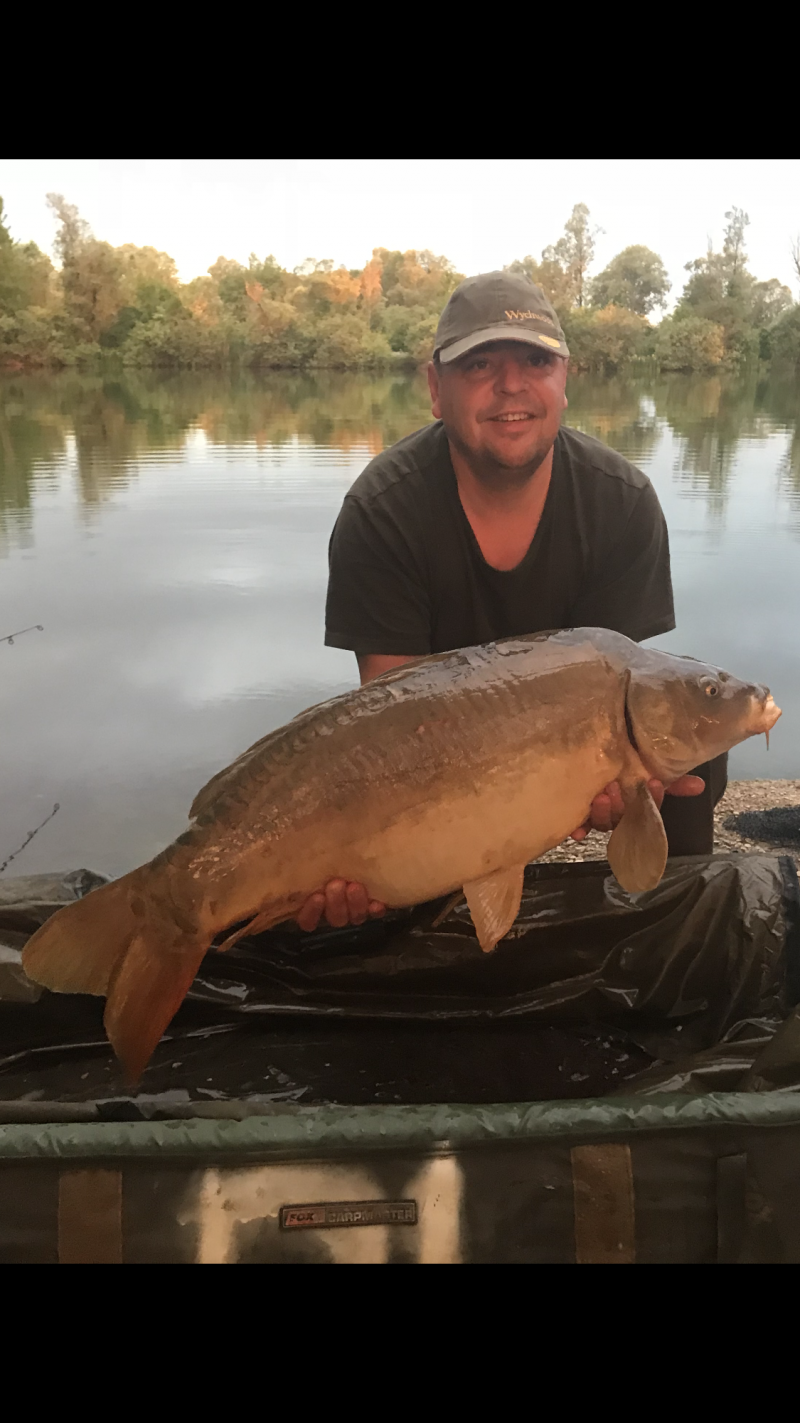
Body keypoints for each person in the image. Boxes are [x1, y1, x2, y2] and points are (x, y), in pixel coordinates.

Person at [297, 270, 726, 932]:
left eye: (536, 360)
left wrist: (613, 787)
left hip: (567, 747)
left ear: (564, 379)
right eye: (479, 364)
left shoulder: (621, 502)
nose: (512, 384)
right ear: (436, 389)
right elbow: (384, 738)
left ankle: (659, 944)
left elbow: (625, 689)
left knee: (693, 748)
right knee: (360, 894)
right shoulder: (381, 512)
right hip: (435, 768)